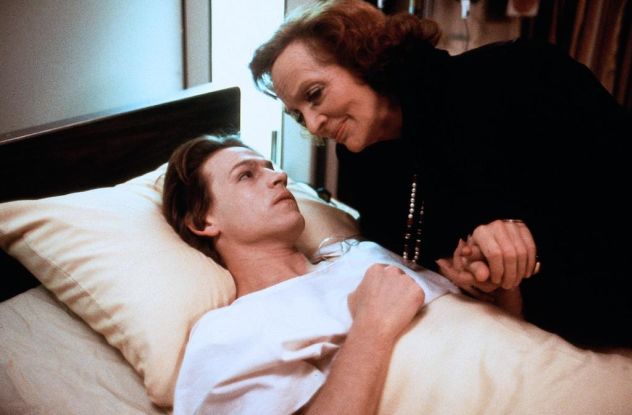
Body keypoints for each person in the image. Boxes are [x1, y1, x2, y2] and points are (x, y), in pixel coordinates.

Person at [249, 0, 632, 347]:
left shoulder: (520, 74)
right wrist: (466, 270)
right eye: (297, 114)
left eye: (314, 94)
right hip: (507, 334)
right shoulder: (361, 159)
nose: (313, 124)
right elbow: (416, 254)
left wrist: (524, 237)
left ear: (362, 57)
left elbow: (611, 192)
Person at [162, 135, 457, 414]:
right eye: (246, 175)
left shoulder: (361, 254)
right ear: (202, 221)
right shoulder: (226, 333)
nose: (279, 176)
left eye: (270, 167)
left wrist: (474, 278)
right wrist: (371, 326)